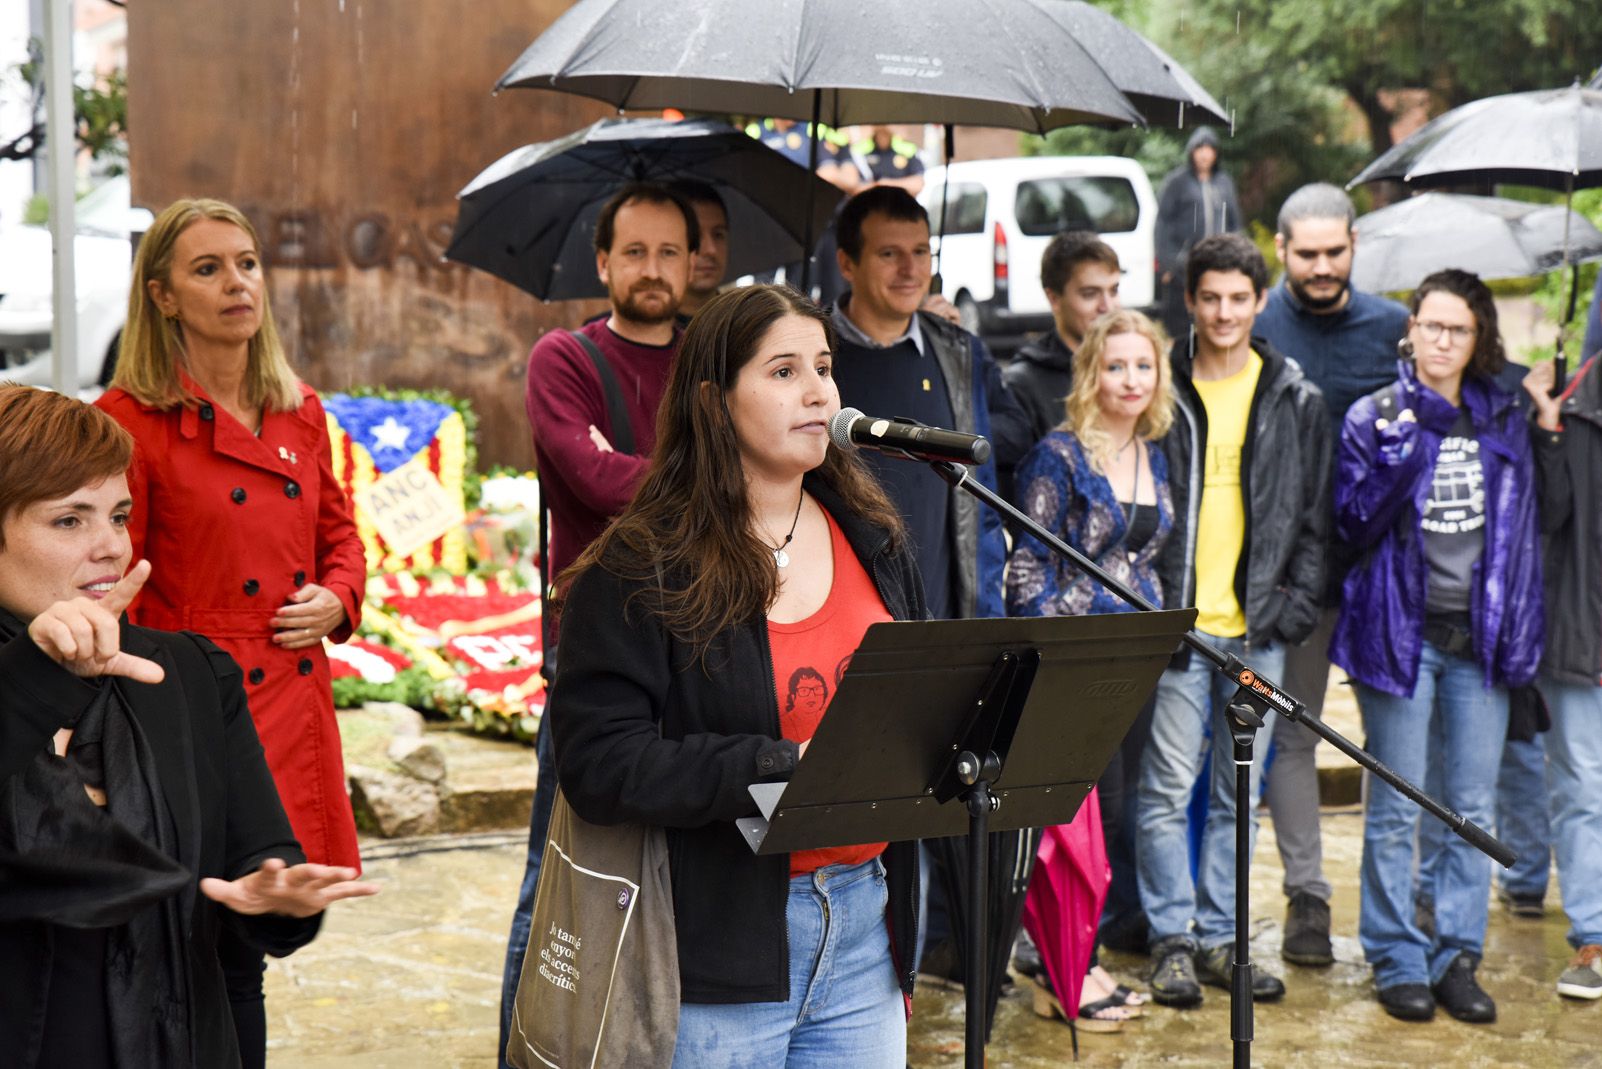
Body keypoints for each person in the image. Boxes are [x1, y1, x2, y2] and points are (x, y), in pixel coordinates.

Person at [548, 284, 925, 1067]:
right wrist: (771, 767)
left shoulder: (874, 536)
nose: (818, 390)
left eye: (823, 367)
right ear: (716, 403)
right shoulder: (643, 563)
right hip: (715, 941)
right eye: (784, 371)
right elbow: (597, 762)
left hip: (863, 922)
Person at [0, 384, 377, 1069]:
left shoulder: (189, 672)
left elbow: (259, 855)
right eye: (69, 521)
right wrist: (37, 673)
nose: (109, 546)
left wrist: (273, 898)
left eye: (119, 514)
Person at [95, 197, 369, 1068]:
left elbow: (342, 535)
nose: (235, 282)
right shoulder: (129, 420)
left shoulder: (298, 410)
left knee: (265, 931)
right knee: (207, 947)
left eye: (246, 262)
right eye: (207, 268)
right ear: (163, 296)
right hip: (192, 716)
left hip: (291, 698)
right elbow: (109, 579)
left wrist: (337, 596)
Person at [502, 180, 698, 1068]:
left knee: (680, 878)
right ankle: (527, 1046)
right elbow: (593, 478)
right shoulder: (564, 359)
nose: (651, 270)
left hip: (704, 643)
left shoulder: (713, 355)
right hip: (598, 656)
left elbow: (637, 474)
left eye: (669, 252)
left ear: (692, 262)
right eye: (634, 252)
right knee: (564, 875)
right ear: (603, 262)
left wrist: (650, 469)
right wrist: (708, 477)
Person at [1329, 269, 1543, 1024]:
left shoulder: (1503, 417)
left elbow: (1522, 537)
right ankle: (1396, 956)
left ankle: (1456, 954)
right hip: (1399, 640)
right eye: (1432, 325)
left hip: (1479, 643)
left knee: (1470, 805)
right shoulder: (1373, 416)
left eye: (1460, 329)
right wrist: (1408, 443)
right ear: (1410, 329)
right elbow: (1351, 526)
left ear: (1477, 337)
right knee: (1394, 805)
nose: (1444, 340)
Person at [1138, 233, 1330, 1009]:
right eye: (1209, 297)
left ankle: (1222, 939)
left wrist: (1291, 610)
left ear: (1260, 300)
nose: (1223, 312)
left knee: (1236, 796)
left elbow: (1314, 520)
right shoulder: (1161, 386)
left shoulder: (1295, 395)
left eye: (1238, 298)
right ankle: (1172, 941)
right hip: (1182, 633)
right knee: (1165, 787)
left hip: (1257, 632)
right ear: (1189, 300)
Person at [1252, 183, 1410, 967]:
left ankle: (1400, 898)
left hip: (1383, 575)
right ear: (1282, 248)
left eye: (1334, 252)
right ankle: (1307, 897)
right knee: (1292, 732)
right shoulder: (1253, 326)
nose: (1321, 266)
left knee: (1398, 741)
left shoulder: (1393, 327)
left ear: (1353, 245)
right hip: (1292, 576)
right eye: (1307, 253)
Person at [1006, 308, 1175, 1031]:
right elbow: (1023, 575)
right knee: (1076, 816)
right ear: (1091, 372)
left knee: (1114, 814)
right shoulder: (1060, 454)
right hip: (1074, 665)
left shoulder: (1154, 451)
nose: (1130, 379)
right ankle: (1057, 957)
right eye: (1116, 365)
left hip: (1137, 659)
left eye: (1144, 365)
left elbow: (1149, 554)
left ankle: (1082, 953)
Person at [1524, 350, 1602, 1001]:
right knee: (1579, 787)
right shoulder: (1570, 405)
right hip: (1582, 631)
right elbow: (1546, 521)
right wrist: (1546, 430)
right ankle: (1594, 935)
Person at [1001, 231, 1122, 500]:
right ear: (1054, 298)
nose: (1108, 307)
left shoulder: (1134, 370)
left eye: (1114, 290)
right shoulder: (1023, 384)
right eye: (1090, 294)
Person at [1154, 126, 1242, 341]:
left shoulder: (1224, 183)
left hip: (1219, 260)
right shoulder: (1177, 183)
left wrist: (1235, 253)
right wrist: (1168, 263)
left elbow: (1235, 222)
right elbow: (1162, 224)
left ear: (1216, 153)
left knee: (1213, 313)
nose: (1204, 154)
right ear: (1191, 152)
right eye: (1199, 148)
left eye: (1209, 148)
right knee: (1181, 323)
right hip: (1184, 263)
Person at [669, 179, 730, 317]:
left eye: (718, 235)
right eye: (694, 235)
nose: (711, 250)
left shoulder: (746, 328)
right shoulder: (633, 331)